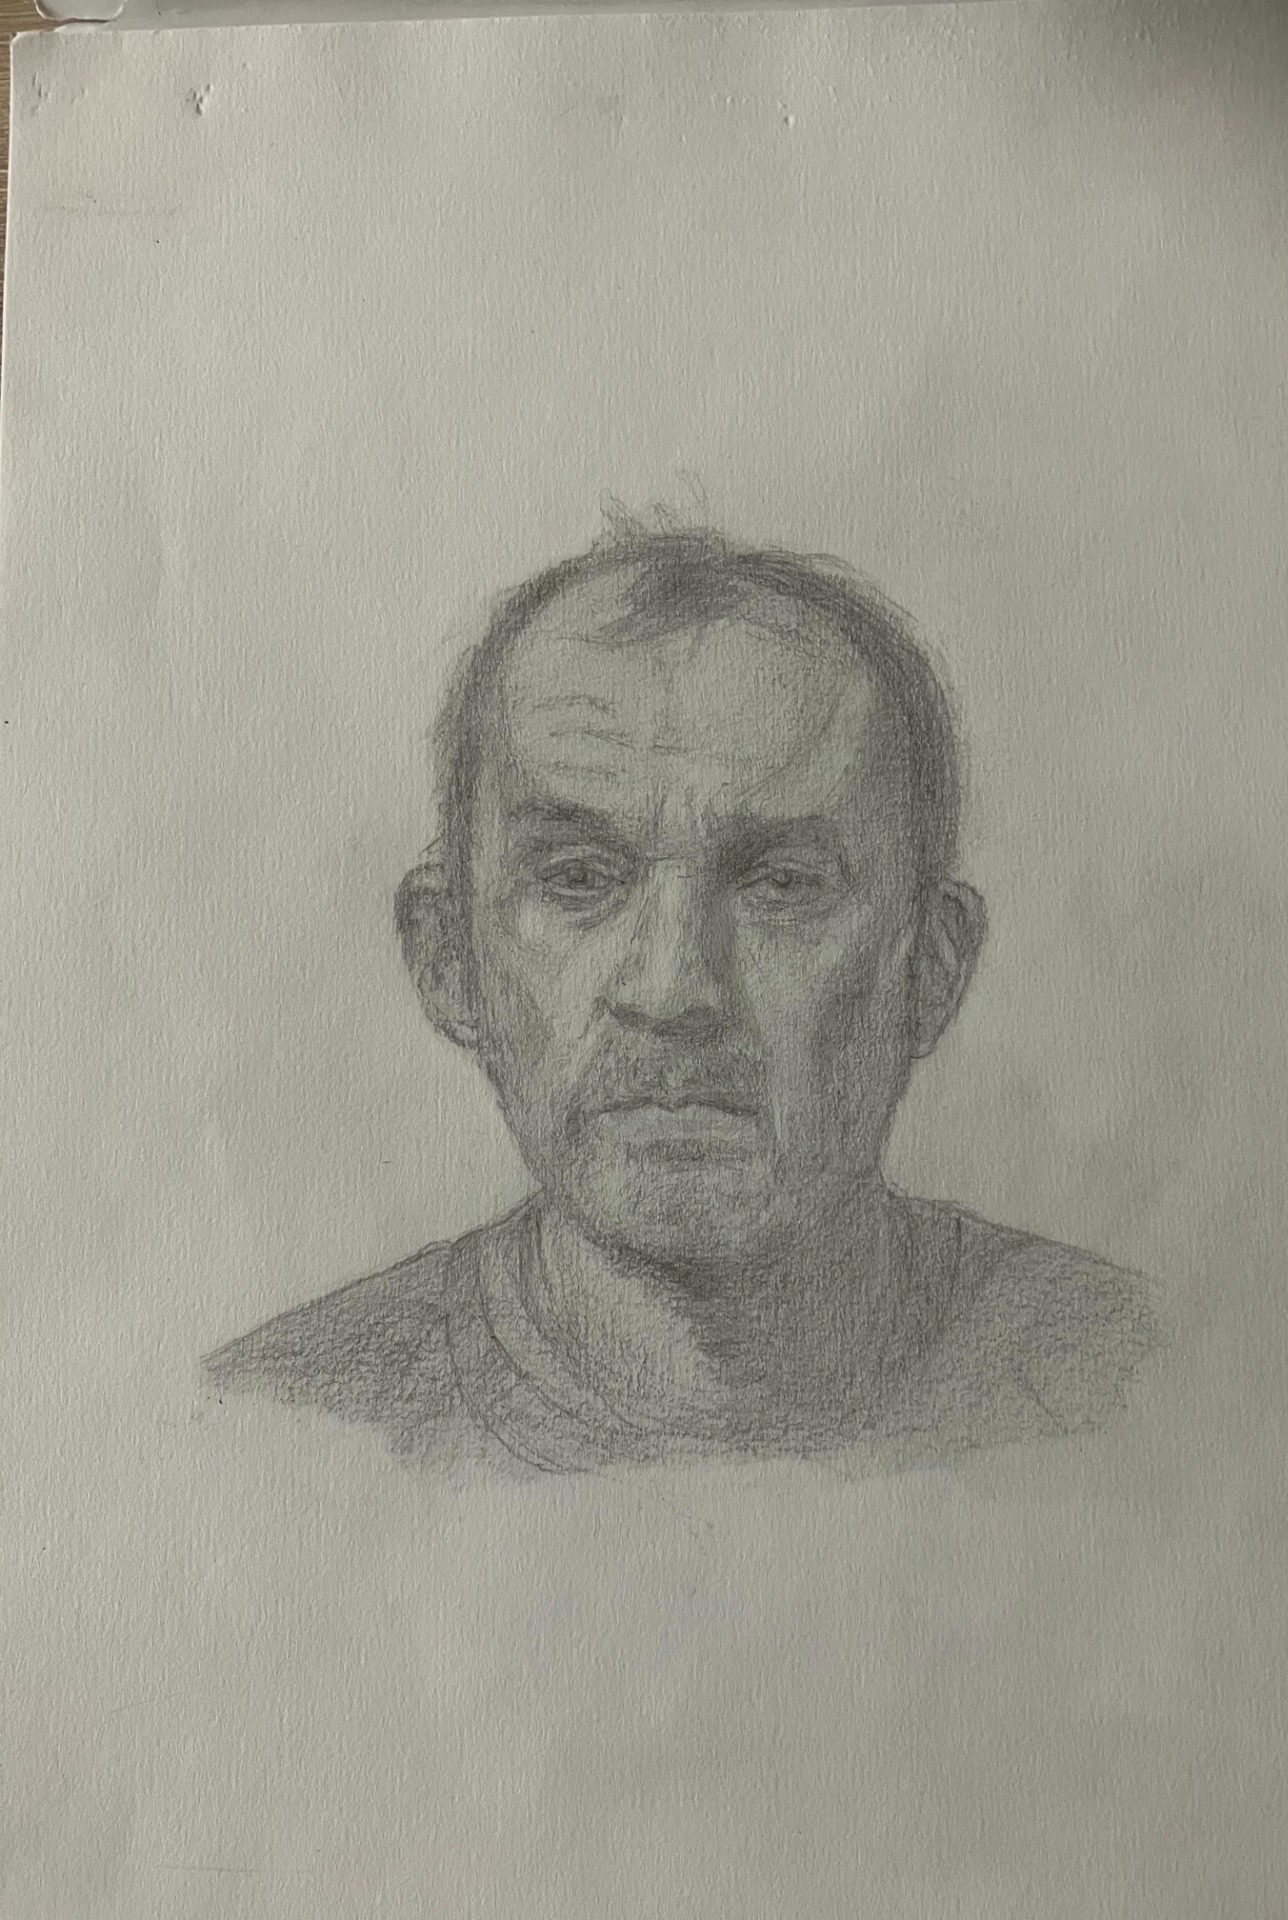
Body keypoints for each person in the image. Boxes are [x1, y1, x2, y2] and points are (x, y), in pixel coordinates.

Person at [205, 520, 1157, 1475]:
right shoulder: (277, 1428)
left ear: (931, 968)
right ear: (448, 959)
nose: (672, 991)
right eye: (578, 878)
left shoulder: (1136, 1374)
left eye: (782, 884)